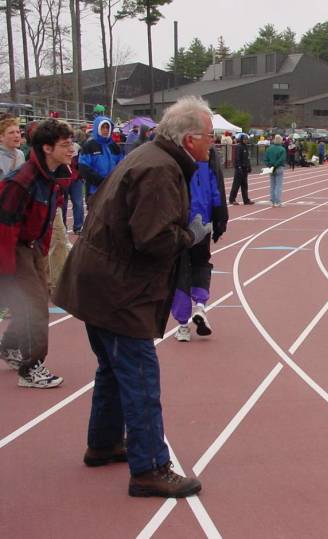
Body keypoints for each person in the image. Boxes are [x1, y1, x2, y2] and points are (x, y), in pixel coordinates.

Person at [53, 96, 211, 498]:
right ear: (190, 139)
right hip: (119, 290)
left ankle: (103, 443)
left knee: (112, 369)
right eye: (210, 137)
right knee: (140, 378)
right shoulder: (159, 169)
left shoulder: (151, 155)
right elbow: (153, 239)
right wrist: (190, 234)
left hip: (100, 282)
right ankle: (150, 467)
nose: (214, 143)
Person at [0, 119, 74, 387]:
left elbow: (44, 218)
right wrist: (7, 271)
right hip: (15, 249)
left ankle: (9, 347)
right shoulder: (21, 182)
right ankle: (30, 369)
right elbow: (5, 227)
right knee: (35, 307)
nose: (72, 150)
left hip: (32, 247)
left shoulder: (53, 176)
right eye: (65, 145)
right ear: (46, 148)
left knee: (32, 300)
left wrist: (41, 253)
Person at [173, 144, 228, 342]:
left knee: (181, 271)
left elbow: (215, 187)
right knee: (200, 265)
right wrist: (221, 218)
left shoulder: (183, 154)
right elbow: (216, 190)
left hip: (185, 224)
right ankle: (200, 306)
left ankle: (183, 325)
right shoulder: (206, 155)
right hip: (201, 221)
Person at [78, 115, 123, 203]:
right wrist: (101, 182)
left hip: (113, 190)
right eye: (103, 127)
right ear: (97, 128)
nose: (106, 130)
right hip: (94, 190)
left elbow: (122, 165)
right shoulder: (89, 146)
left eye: (107, 127)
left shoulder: (114, 147)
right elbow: (83, 168)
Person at [230, 133, 254, 205]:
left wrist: (249, 166)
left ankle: (246, 200)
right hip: (239, 169)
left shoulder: (246, 147)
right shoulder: (239, 147)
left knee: (244, 185)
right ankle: (232, 199)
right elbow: (237, 158)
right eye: (244, 139)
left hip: (245, 169)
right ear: (241, 139)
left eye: (247, 139)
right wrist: (239, 167)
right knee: (236, 185)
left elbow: (247, 158)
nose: (246, 140)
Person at [265, 134, 287, 207]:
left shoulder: (269, 149)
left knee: (272, 185)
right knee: (278, 185)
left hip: (270, 168)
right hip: (278, 168)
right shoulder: (282, 149)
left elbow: (265, 159)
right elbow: (281, 159)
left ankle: (272, 200)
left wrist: (269, 165)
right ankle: (278, 201)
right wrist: (275, 165)